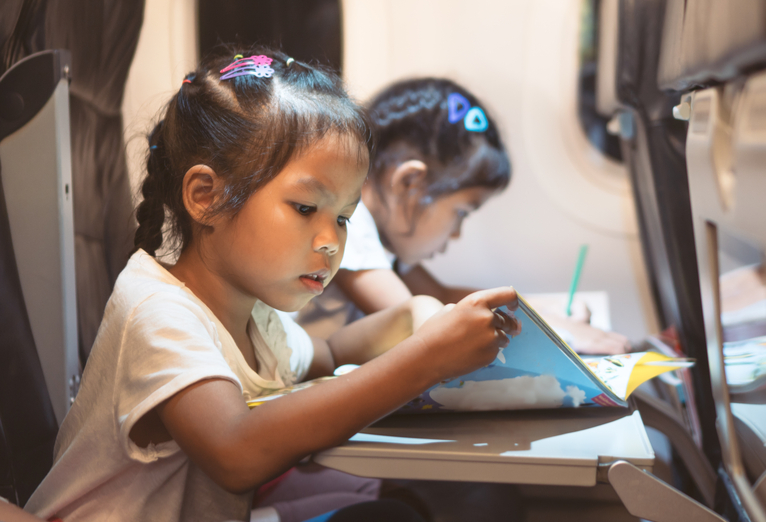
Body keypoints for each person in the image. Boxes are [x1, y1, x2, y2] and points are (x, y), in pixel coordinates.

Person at [24, 49, 519, 522]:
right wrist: (426, 359)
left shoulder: (252, 312)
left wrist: (415, 316)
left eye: (344, 218)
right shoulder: (157, 312)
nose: (330, 242)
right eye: (306, 209)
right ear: (206, 197)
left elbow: (327, 354)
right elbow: (236, 452)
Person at [296, 78, 630, 355]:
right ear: (409, 183)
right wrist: (561, 336)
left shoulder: (380, 240)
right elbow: (427, 325)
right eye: (460, 213)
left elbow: (440, 295)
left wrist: (540, 311)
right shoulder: (351, 231)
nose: (456, 234)